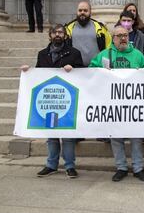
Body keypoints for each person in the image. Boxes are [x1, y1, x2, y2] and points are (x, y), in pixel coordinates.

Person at [89, 26, 144, 183]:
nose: (123, 38)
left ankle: (138, 168)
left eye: (125, 35)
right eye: (119, 36)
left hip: (134, 105)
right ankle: (121, 167)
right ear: (113, 38)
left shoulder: (137, 55)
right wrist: (102, 72)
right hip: (113, 104)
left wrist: (141, 73)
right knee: (116, 137)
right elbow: (90, 71)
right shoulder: (104, 55)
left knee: (136, 137)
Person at [20, 24, 83, 178]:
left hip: (67, 100)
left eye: (60, 32)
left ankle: (70, 166)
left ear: (65, 36)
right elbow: (39, 74)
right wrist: (29, 72)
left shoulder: (74, 53)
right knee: (52, 134)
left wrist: (73, 68)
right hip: (50, 100)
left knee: (68, 136)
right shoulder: (42, 54)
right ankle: (51, 164)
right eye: (54, 32)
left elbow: (83, 73)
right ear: (50, 35)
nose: (57, 35)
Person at [65, 1, 112, 66]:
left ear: (90, 12)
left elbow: (108, 47)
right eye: (80, 10)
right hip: (75, 69)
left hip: (96, 68)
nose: (82, 12)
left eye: (85, 10)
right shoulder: (68, 29)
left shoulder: (101, 28)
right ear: (77, 12)